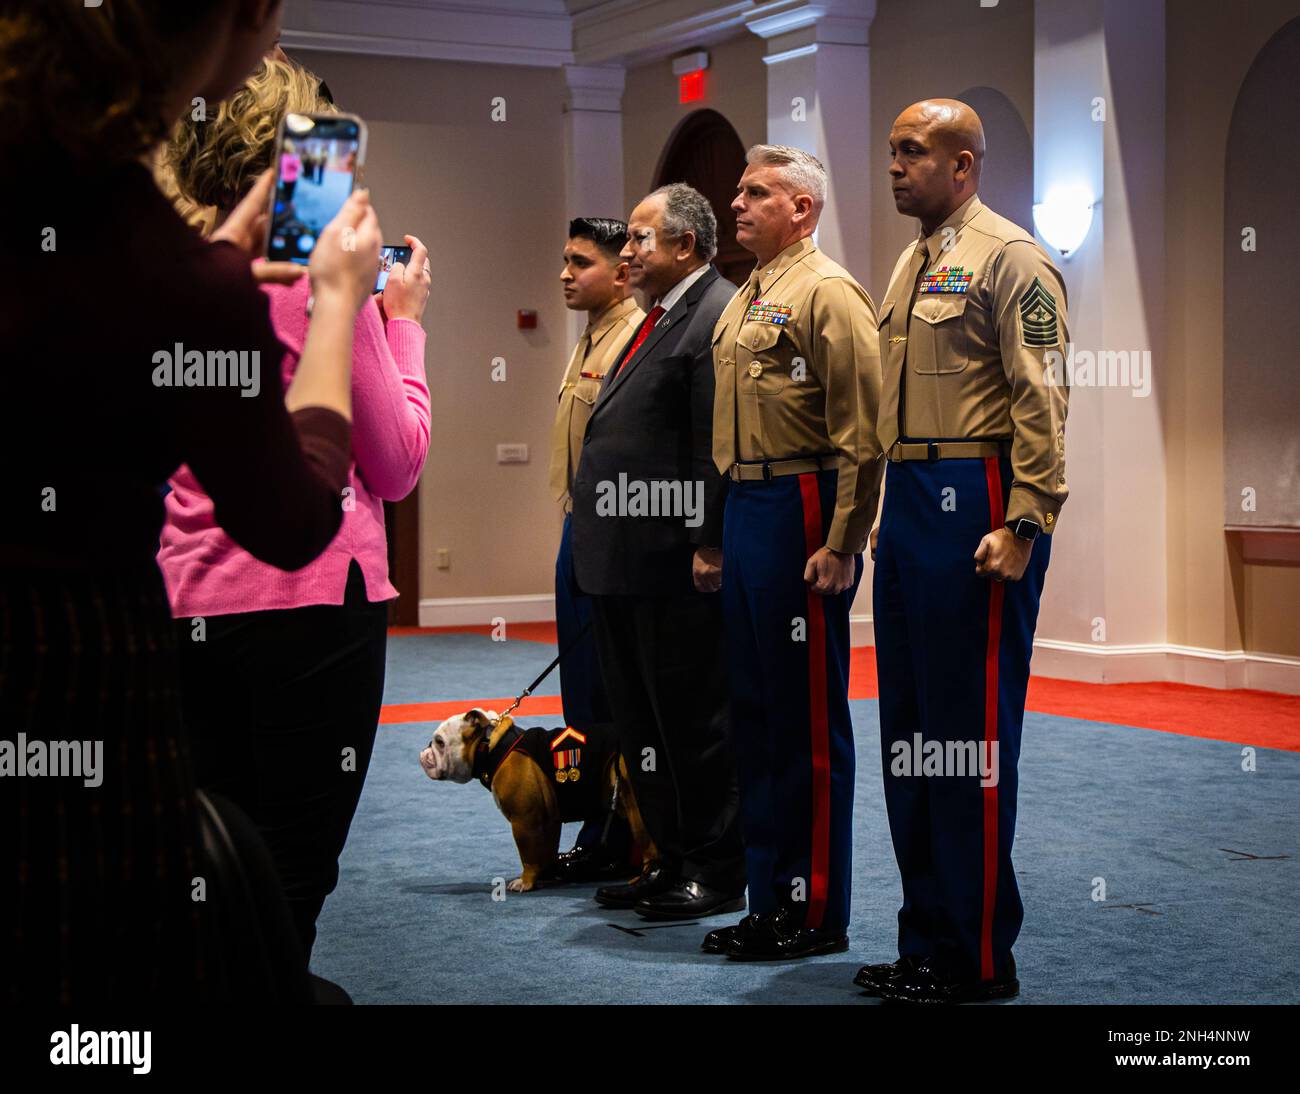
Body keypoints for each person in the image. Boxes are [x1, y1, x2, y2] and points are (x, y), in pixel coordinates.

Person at [0, 0, 382, 1003]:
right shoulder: (168, 267)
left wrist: (209, 275)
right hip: (78, 652)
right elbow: (298, 515)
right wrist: (340, 299)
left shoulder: (90, 211)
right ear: (247, 17)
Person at [158, 58, 432, 959]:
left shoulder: (165, 269)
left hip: (180, 596)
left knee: (199, 859)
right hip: (312, 600)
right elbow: (392, 465)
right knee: (288, 872)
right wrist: (403, 325)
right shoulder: (327, 285)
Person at [859, 99, 1069, 1004]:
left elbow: (1044, 403)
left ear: (965, 163)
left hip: (976, 504)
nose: (897, 166)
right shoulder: (914, 260)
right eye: (894, 151)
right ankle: (926, 942)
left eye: (914, 152)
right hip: (909, 506)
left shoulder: (1013, 258)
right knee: (910, 739)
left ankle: (978, 958)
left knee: (967, 742)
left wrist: (1026, 523)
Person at [707, 145, 883, 961]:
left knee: (806, 722)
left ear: (802, 208)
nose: (736, 204)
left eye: (756, 193)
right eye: (738, 192)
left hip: (801, 506)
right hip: (747, 504)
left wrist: (844, 540)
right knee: (755, 714)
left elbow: (861, 434)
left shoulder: (828, 292)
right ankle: (766, 898)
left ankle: (813, 913)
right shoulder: (750, 292)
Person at [570, 184, 746, 920]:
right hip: (625, 558)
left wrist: (710, 539)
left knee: (690, 721)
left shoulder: (714, 313)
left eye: (643, 238)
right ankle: (668, 858)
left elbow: (717, 440)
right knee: (642, 722)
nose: (630, 250)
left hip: (674, 559)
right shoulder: (656, 316)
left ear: (686, 246)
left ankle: (712, 867)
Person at [547, 217, 644, 882]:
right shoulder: (589, 336)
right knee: (580, 698)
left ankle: (621, 834)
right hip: (576, 531)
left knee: (612, 700)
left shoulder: (633, 338)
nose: (564, 274)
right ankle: (594, 824)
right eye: (564, 260)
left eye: (580, 262)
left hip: (611, 537)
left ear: (620, 273)